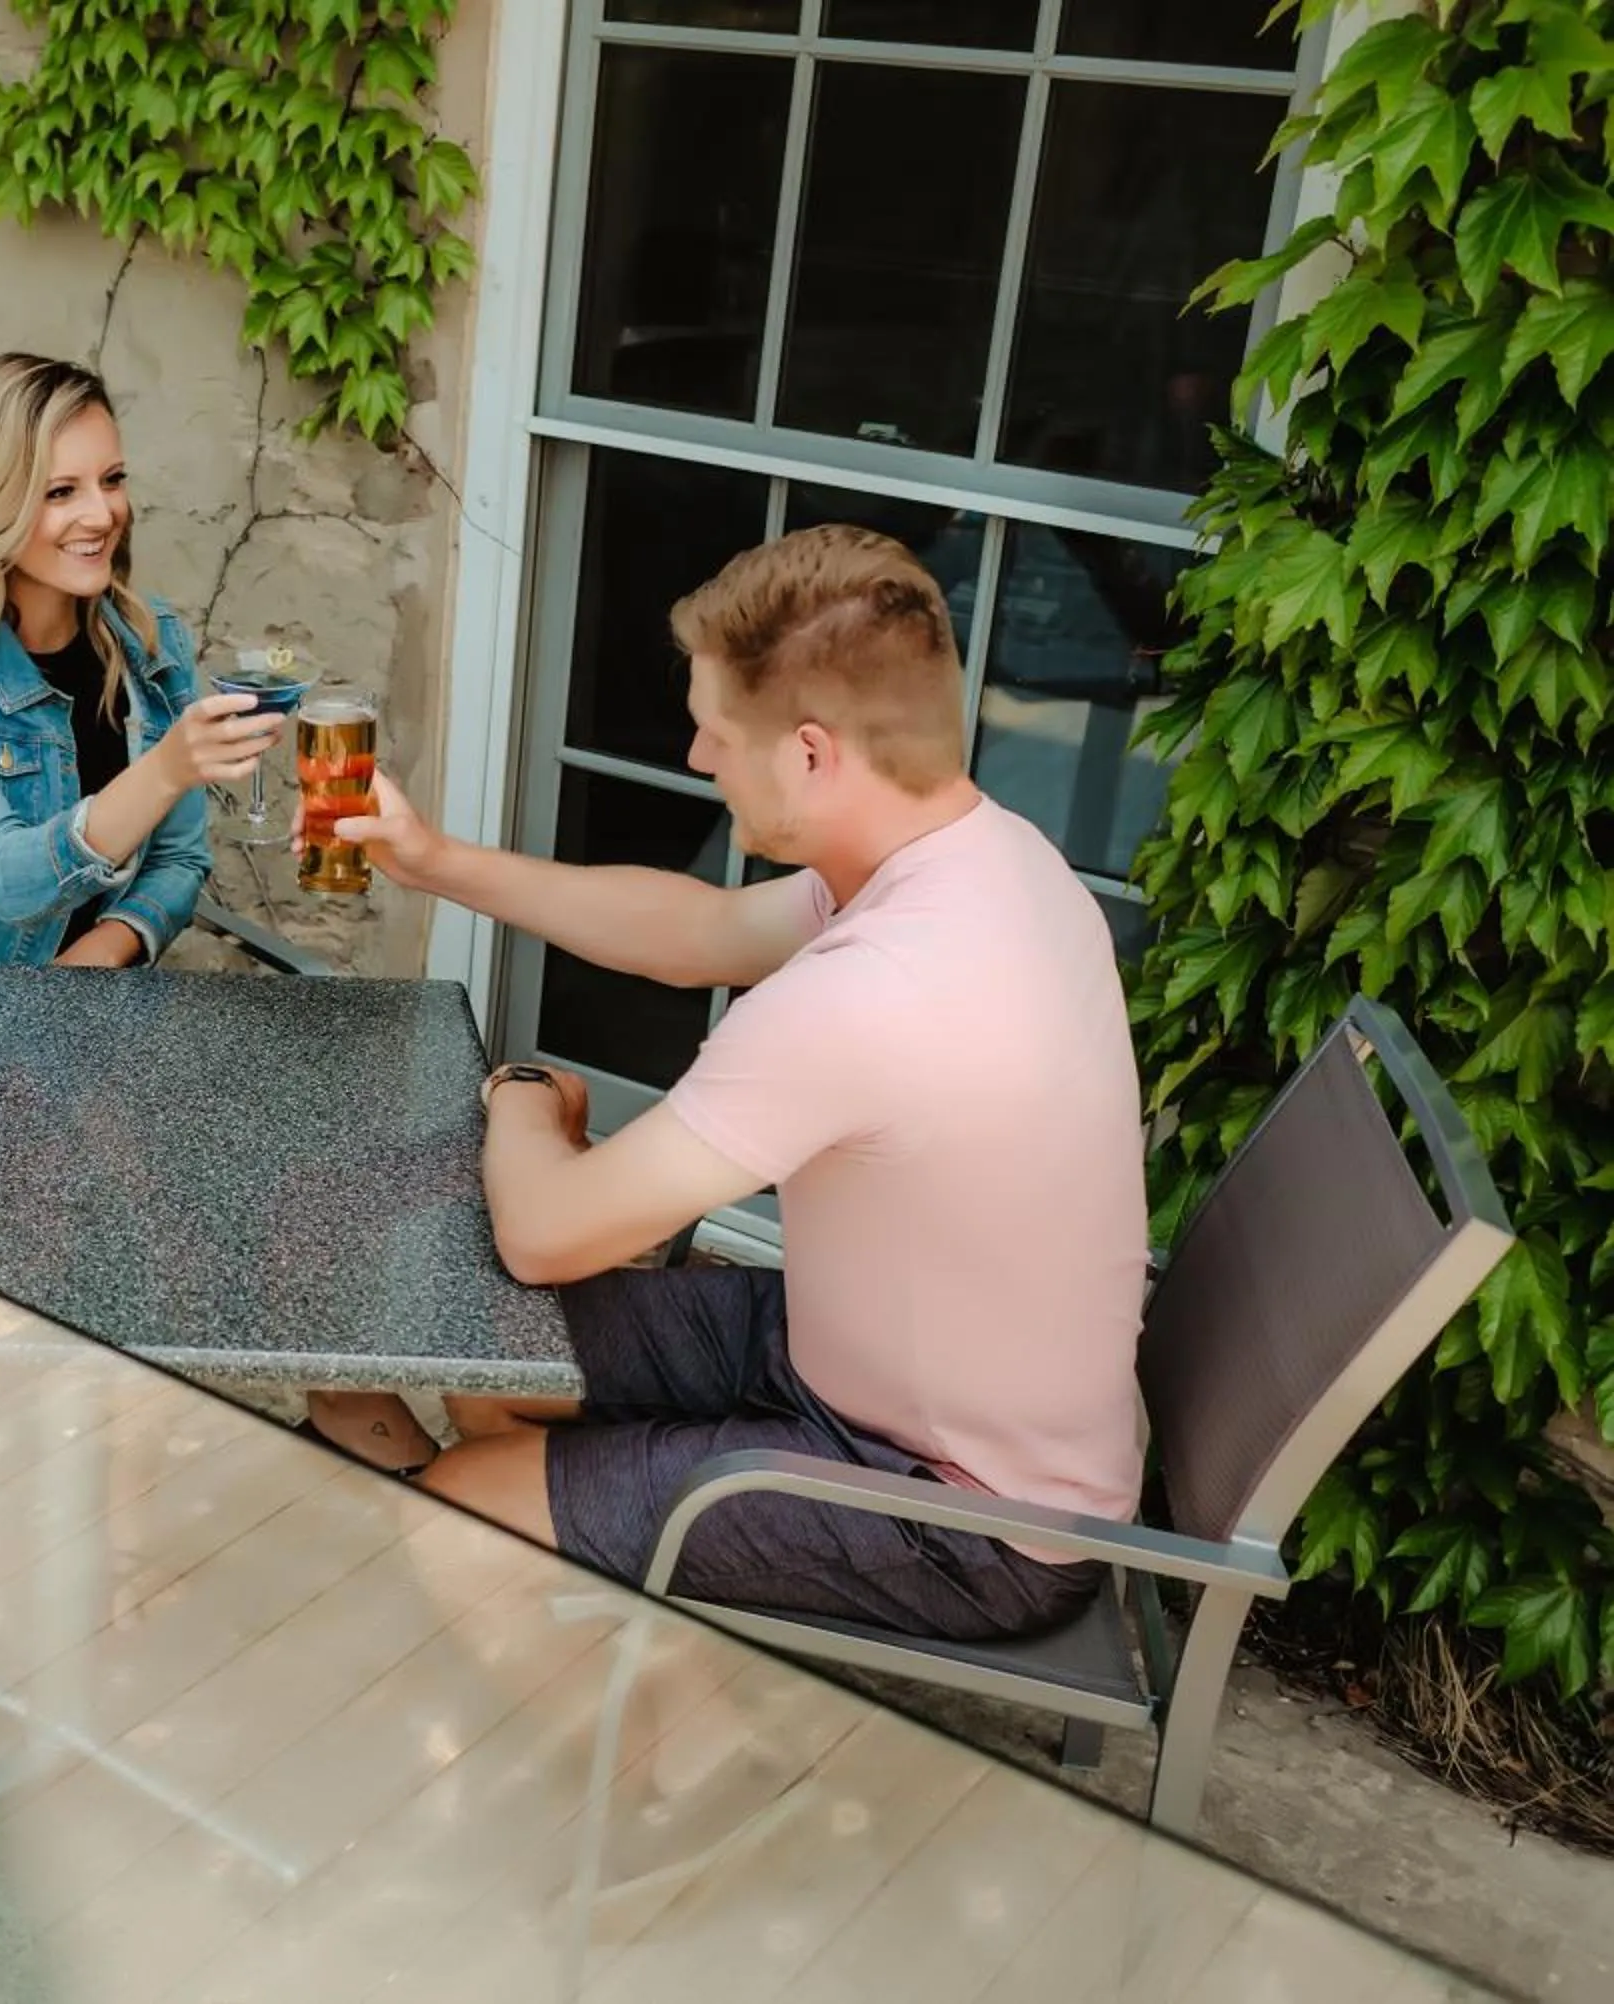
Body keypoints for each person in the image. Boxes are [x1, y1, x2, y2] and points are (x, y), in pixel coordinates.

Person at [307, 524, 1148, 1643]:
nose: (698, 761)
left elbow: (548, 1233)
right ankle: (600, 1639)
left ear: (808, 754)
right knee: (492, 1364)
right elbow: (698, 930)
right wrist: (441, 864)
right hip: (845, 1359)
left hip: (965, 1513)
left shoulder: (875, 990)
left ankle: (625, 1767)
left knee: (460, 1513)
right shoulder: (988, 863)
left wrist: (518, 1096)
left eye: (712, 734)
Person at [0, 353, 279, 965]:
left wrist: (97, 958)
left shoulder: (150, 642)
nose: (103, 514)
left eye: (112, 479)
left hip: (92, 1016)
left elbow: (179, 861)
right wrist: (164, 771)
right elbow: (6, 881)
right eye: (60, 491)